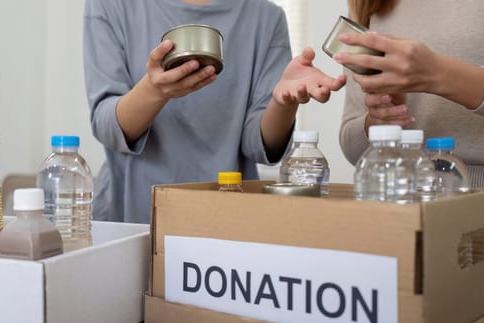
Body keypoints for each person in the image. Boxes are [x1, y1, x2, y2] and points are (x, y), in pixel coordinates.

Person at [336, 0, 484, 307]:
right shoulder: (370, 5)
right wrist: (379, 121)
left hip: (480, 221)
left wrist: (439, 74)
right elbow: (351, 144)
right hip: (387, 220)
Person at [84, 0, 346, 224]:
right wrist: (154, 91)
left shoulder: (266, 18)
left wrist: (284, 102)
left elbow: (260, 146)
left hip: (227, 218)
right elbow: (107, 126)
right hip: (132, 217)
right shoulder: (112, 5)